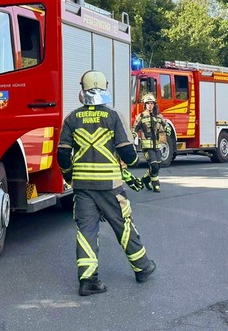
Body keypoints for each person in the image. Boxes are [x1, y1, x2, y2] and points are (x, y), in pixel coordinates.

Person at [58, 70, 157, 296]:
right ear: (105, 88)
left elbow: (62, 155)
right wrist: (131, 162)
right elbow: (128, 154)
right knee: (123, 226)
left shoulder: (72, 118)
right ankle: (142, 267)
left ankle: (88, 280)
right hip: (110, 186)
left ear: (82, 90)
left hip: (82, 187)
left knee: (86, 231)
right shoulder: (113, 116)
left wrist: (69, 176)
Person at [133, 93, 167, 193]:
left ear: (154, 104)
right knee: (154, 165)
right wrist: (132, 138)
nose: (150, 105)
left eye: (151, 103)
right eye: (148, 103)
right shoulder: (141, 117)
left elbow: (165, 126)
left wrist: (167, 130)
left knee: (158, 165)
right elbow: (134, 130)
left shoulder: (159, 116)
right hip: (147, 147)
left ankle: (145, 179)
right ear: (145, 105)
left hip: (157, 146)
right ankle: (156, 185)